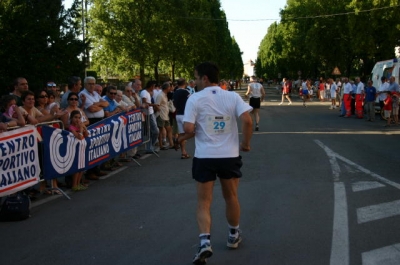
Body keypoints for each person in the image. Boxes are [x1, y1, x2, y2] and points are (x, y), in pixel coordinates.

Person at [179, 62, 253, 265]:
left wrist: (183, 135)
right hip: (229, 155)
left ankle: (204, 242)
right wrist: (245, 144)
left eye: (195, 77)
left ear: (204, 78)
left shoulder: (194, 98)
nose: (193, 81)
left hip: (205, 156)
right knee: (231, 197)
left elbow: (188, 127)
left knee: (204, 202)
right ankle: (233, 235)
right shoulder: (231, 96)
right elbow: (247, 121)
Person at [67, 110, 89, 191]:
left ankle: (79, 183)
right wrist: (80, 129)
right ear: (71, 118)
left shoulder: (80, 125)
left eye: (79, 118)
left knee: (82, 167)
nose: (77, 119)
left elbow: (86, 135)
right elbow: (79, 137)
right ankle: (74, 185)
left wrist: (84, 127)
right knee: (77, 167)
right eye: (75, 117)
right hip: (75, 148)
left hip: (82, 147)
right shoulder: (71, 127)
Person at [173, 78, 191, 159]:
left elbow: (174, 102)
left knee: (181, 133)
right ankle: (177, 141)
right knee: (191, 132)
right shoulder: (186, 92)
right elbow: (191, 101)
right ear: (185, 83)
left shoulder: (175, 92)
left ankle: (183, 152)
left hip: (178, 114)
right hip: (185, 114)